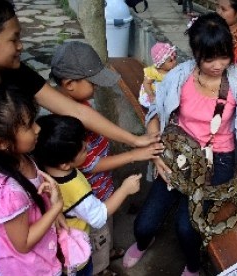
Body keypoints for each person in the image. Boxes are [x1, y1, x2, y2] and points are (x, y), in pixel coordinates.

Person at [122, 13, 237, 276]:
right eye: (209, 58)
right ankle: (145, 241)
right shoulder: (178, 77)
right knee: (144, 225)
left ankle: (193, 266)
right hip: (176, 156)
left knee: (187, 227)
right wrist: (155, 152)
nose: (218, 65)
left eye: (224, 56)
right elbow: (155, 116)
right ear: (195, 53)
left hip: (218, 160)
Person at [0, 0, 160, 149]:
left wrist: (133, 140)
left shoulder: (17, 72)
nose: (21, 46)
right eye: (13, 40)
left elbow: (76, 110)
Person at [49, 41, 163, 275]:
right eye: (93, 83)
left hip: (103, 186)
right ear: (69, 84)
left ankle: (107, 251)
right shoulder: (68, 127)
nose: (97, 88)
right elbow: (90, 164)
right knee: (97, 232)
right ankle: (100, 268)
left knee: (106, 228)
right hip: (92, 195)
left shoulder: (79, 103)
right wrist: (135, 154)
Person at [33, 114, 142, 274]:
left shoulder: (43, 169)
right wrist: (125, 189)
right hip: (77, 245)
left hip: (62, 236)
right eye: (83, 149)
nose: (89, 147)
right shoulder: (75, 188)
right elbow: (98, 216)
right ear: (64, 165)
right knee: (88, 266)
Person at [0, 86, 63, 275]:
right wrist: (56, 208)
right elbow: (23, 244)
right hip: (25, 268)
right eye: (29, 125)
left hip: (42, 251)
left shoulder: (22, 157)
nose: (38, 129)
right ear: (2, 143)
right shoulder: (8, 193)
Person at [138, 42, 178, 108]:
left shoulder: (173, 69)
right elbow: (146, 83)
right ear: (160, 65)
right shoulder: (153, 71)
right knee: (156, 104)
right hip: (153, 92)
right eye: (171, 61)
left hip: (166, 92)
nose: (175, 62)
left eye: (175, 58)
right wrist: (151, 94)